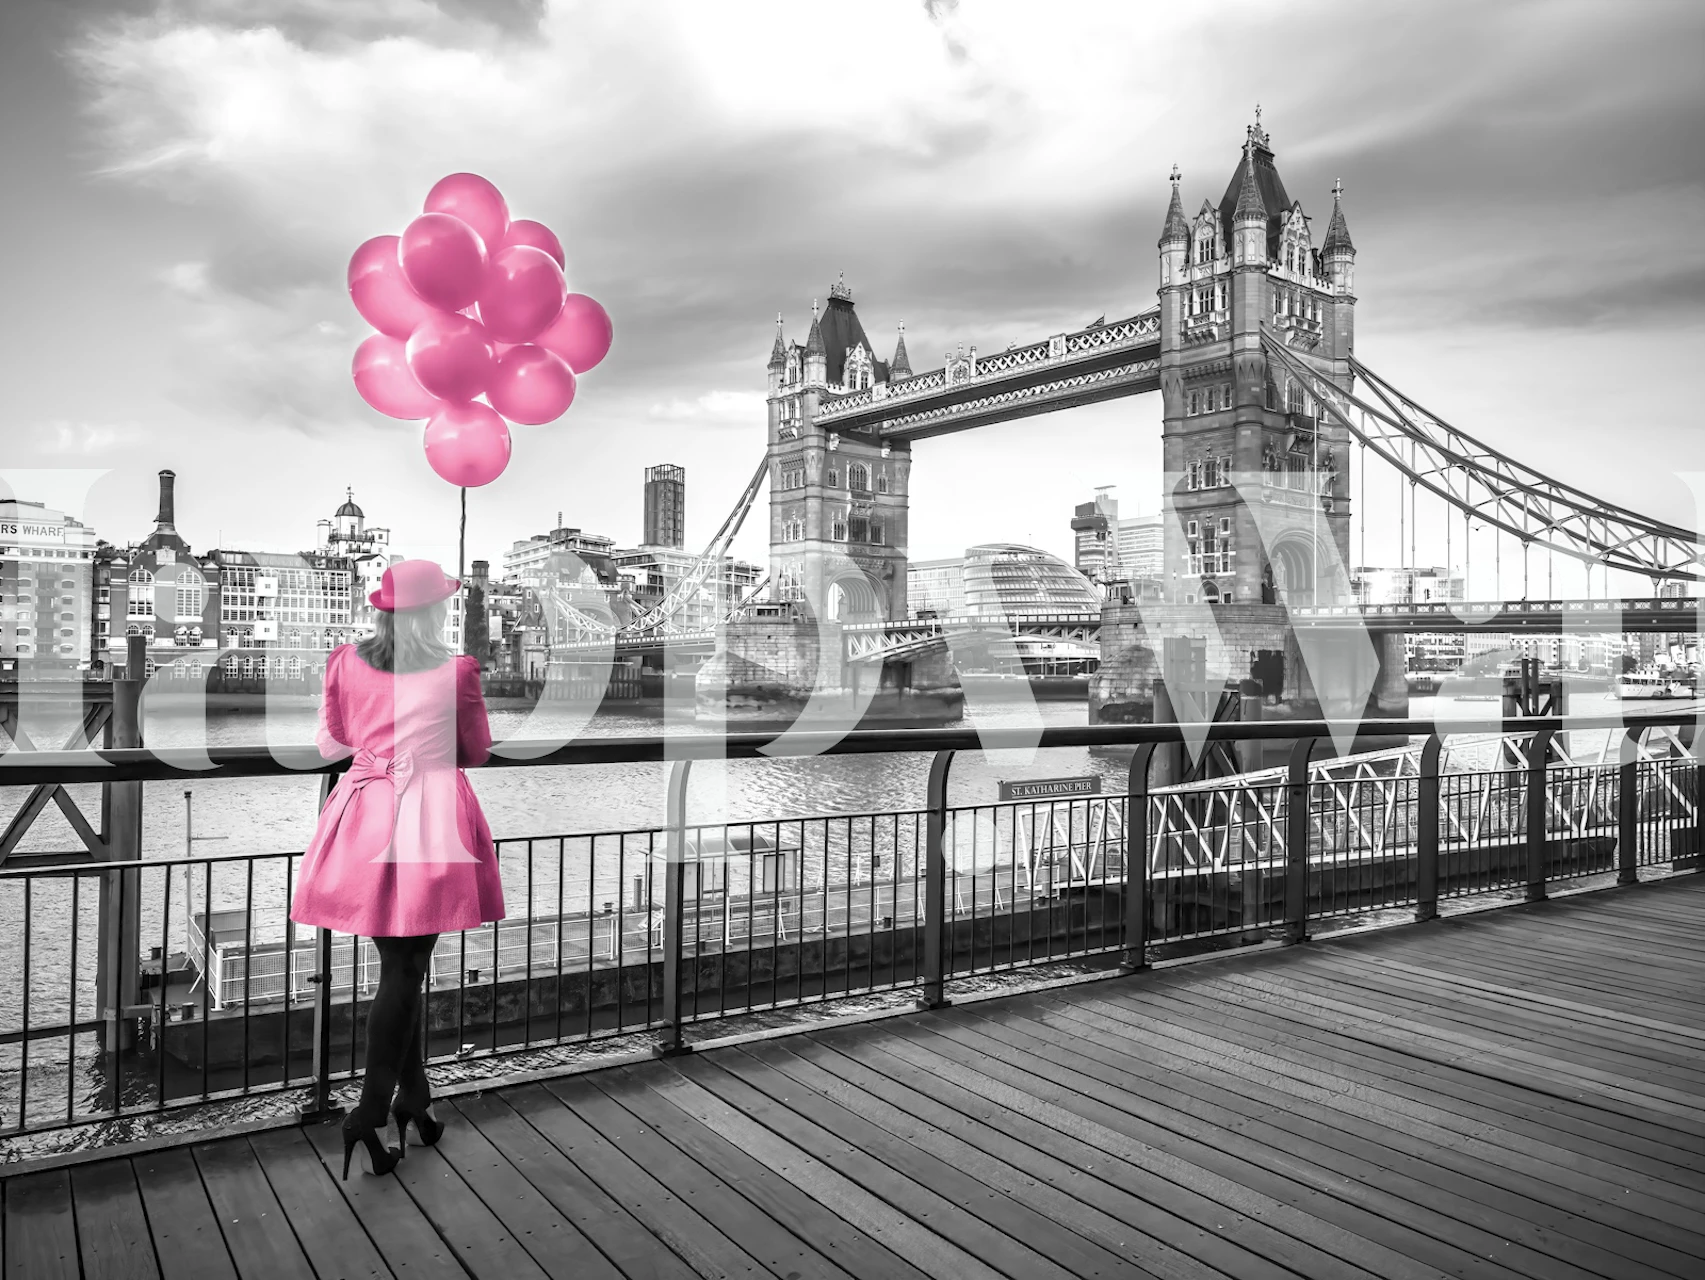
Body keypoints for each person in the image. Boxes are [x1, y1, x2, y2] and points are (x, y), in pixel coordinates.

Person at [289, 559, 506, 1179]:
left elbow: (333, 741)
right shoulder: (455, 670)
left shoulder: (344, 661)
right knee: (407, 969)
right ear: (435, 611)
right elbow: (474, 752)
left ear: (383, 609)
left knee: (400, 969)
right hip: (426, 818)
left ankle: (416, 1101)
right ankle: (367, 1112)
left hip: (362, 810)